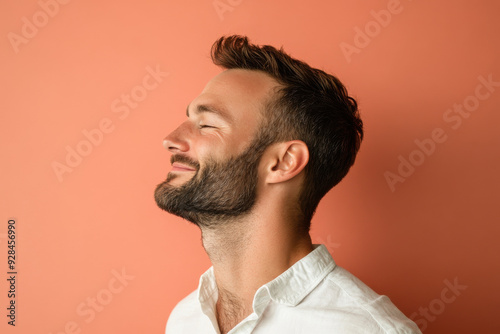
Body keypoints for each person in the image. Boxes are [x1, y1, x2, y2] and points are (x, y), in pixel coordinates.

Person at [155, 35, 421, 334]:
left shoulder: (364, 329)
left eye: (207, 124)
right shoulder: (186, 319)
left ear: (284, 162)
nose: (171, 140)